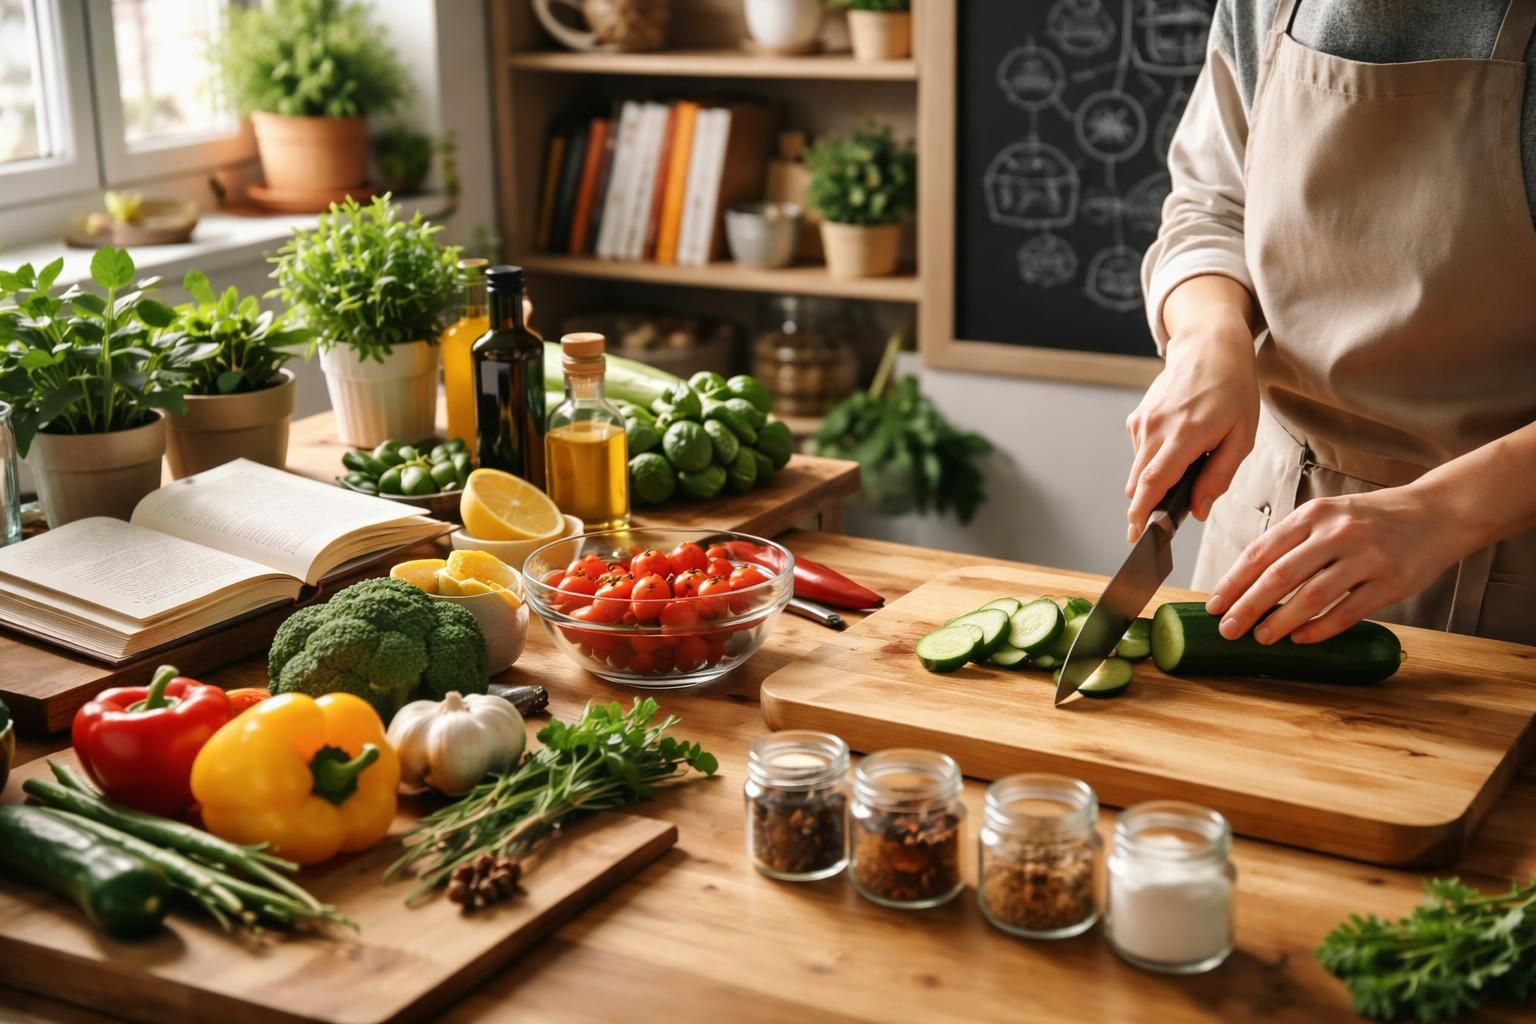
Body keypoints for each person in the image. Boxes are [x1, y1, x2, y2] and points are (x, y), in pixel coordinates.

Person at [1132, 0, 1536, 648]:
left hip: (1502, 589)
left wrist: (1445, 511)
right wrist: (1208, 333)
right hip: (1256, 535)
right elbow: (1210, 205)